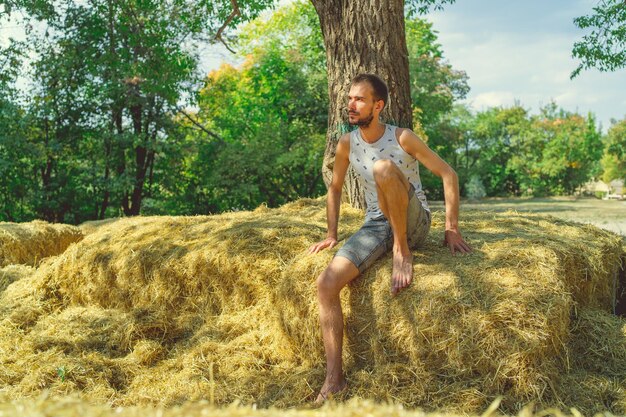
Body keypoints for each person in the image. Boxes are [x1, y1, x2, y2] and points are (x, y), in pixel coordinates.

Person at [307, 73, 472, 403]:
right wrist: (331, 234)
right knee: (325, 284)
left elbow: (448, 174)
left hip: (413, 221)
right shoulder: (346, 144)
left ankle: (401, 250)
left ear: (378, 106)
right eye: (350, 98)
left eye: (360, 99)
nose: (351, 104)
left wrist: (451, 228)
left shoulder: (402, 137)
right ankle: (335, 379)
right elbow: (335, 188)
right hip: (376, 224)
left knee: (383, 168)